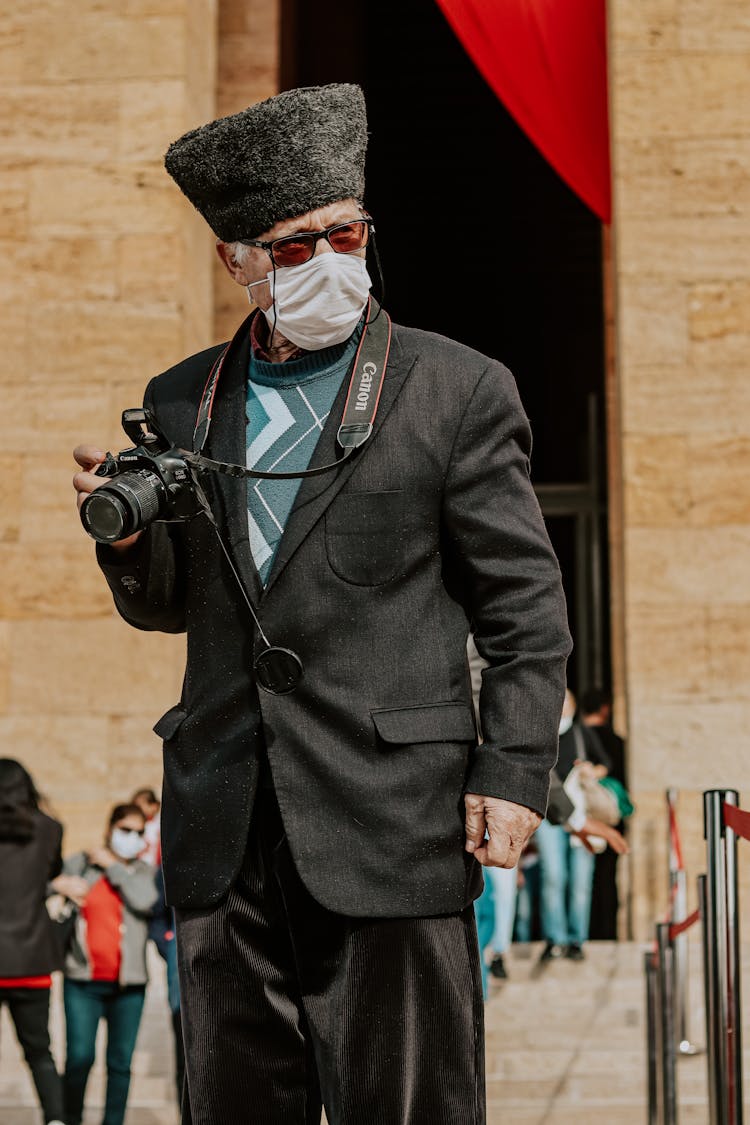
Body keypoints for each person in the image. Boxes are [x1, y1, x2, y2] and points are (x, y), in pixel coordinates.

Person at [72, 83, 572, 1124]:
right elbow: (174, 610)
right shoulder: (182, 398)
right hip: (225, 820)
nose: (330, 263)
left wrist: (516, 770)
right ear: (237, 262)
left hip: (393, 819)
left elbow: (525, 609)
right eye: (294, 250)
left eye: (345, 235)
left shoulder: (456, 388)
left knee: (409, 1105)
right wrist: (127, 542)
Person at [60, 803, 158, 1125]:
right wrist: (61, 885)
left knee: (119, 1064)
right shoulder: (82, 864)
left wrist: (114, 867)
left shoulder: (144, 873)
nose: (131, 837)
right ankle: (69, 1118)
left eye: (138, 832)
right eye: (125, 830)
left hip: (129, 986)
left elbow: (145, 901)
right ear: (110, 828)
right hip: (82, 981)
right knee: (79, 1059)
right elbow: (48, 882)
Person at [0, 759, 68, 1125]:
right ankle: (55, 1119)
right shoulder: (50, 829)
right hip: (32, 960)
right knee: (40, 1053)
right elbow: (52, 872)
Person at [534, 689, 611, 963]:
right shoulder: (539, 733)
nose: (562, 704)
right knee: (553, 876)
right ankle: (555, 939)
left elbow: (606, 764)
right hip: (550, 815)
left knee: (580, 881)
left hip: (582, 814)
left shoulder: (581, 733)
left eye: (567, 700)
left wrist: (592, 770)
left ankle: (577, 939)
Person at [581, 686, 628, 939]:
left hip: (580, 818)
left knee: (579, 878)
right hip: (610, 819)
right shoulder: (618, 743)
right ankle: (607, 931)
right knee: (607, 877)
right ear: (605, 709)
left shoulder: (576, 739)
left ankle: (582, 932)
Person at [131, 787, 161, 866]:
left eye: (139, 806)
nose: (136, 810)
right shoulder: (137, 825)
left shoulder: (160, 824)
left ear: (154, 806)